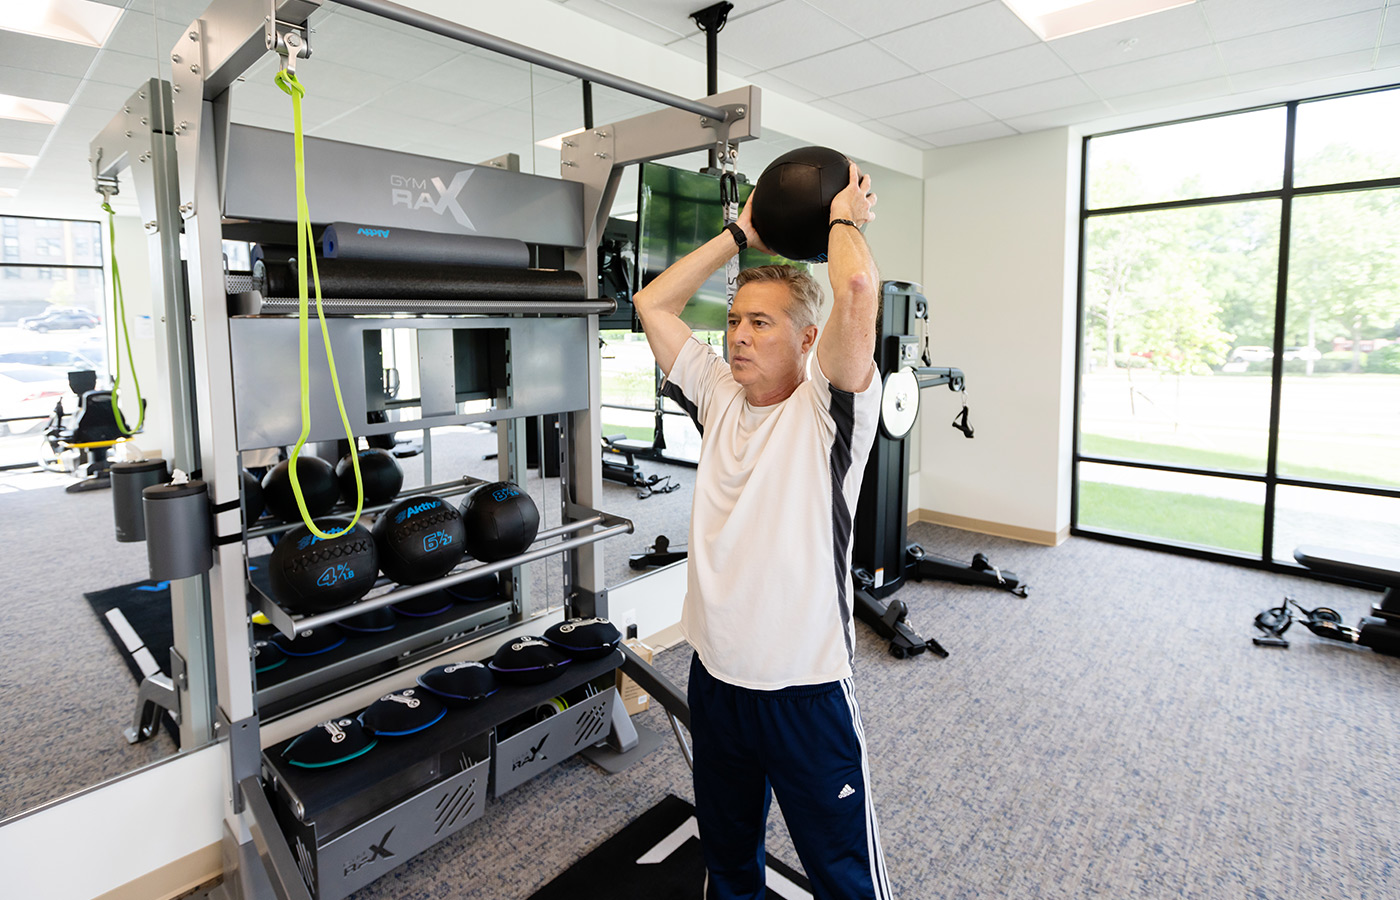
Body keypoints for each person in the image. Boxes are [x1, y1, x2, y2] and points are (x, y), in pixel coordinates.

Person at [632, 162, 891, 900]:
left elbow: (857, 290)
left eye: (761, 323)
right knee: (730, 861)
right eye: (734, 321)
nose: (737, 337)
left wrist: (843, 219)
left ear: (808, 339)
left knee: (844, 880)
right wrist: (737, 236)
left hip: (804, 695)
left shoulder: (829, 414)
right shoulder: (718, 396)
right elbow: (654, 302)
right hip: (717, 682)